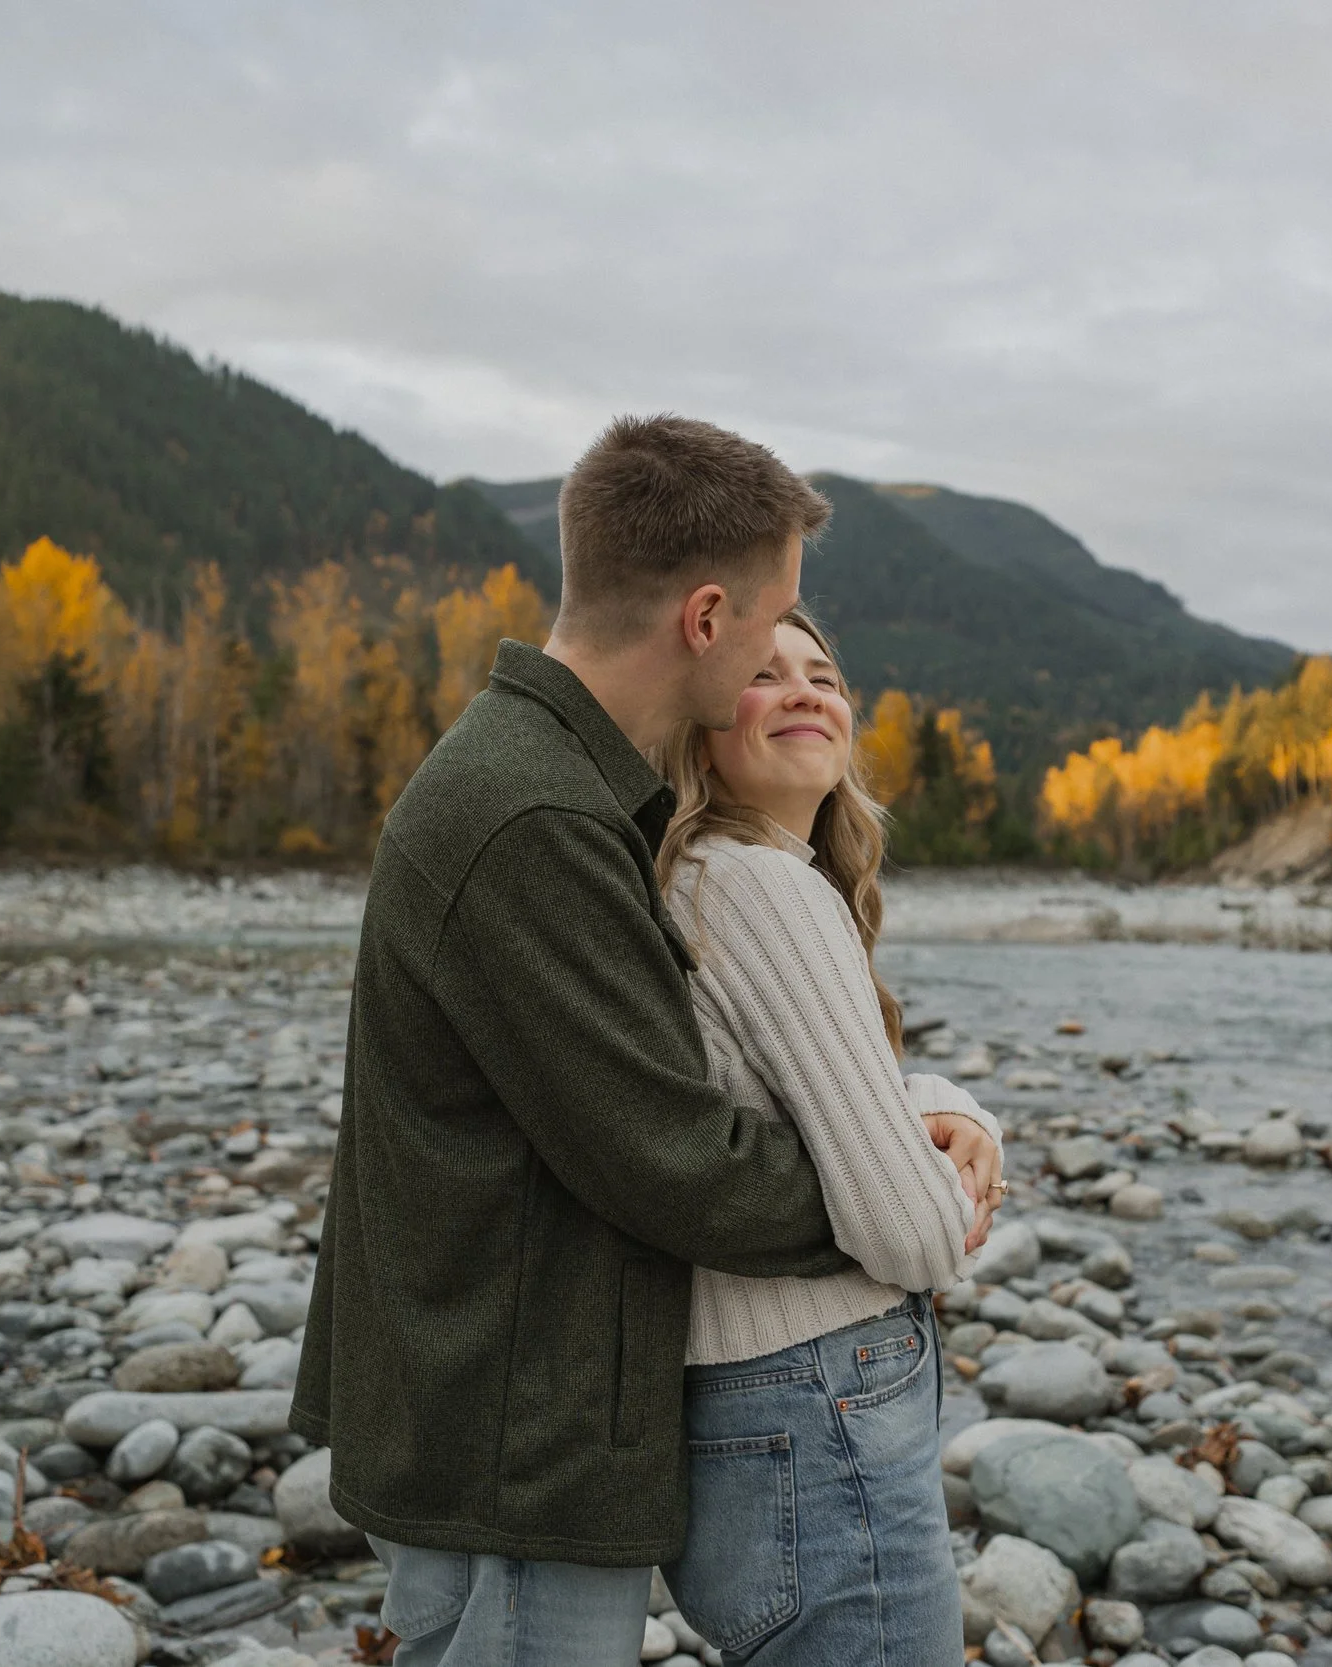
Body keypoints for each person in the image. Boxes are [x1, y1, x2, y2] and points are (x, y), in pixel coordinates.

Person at [294, 415, 1001, 1667]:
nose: (788, 664)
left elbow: (688, 1083)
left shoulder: (560, 785)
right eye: (776, 617)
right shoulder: (532, 817)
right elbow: (675, 1156)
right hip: (511, 1426)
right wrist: (900, 1187)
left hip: (516, 1401)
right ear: (709, 614)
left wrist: (906, 1111)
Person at [651, 605, 1004, 1666]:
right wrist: (955, 1194)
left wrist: (950, 1104)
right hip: (818, 1395)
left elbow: (813, 1105)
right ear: (699, 724)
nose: (807, 689)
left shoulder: (706, 877)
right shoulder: (761, 883)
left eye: (823, 672)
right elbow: (911, 1233)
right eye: (762, 674)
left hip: (755, 1400)